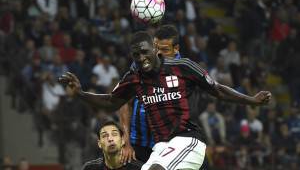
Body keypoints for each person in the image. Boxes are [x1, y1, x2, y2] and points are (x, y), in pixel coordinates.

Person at [60, 31, 271, 170]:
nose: (141, 57)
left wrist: (251, 100)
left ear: (154, 46)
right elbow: (111, 101)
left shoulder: (183, 67)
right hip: (161, 148)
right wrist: (80, 93)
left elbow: (217, 90)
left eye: (144, 51)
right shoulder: (134, 78)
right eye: (136, 55)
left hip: (189, 141)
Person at [119, 25, 180, 163]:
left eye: (165, 49)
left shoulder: (182, 68)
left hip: (169, 146)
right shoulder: (137, 66)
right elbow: (124, 103)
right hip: (138, 144)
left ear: (176, 49)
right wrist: (126, 143)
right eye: (157, 48)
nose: (160, 53)